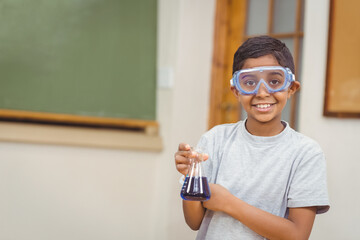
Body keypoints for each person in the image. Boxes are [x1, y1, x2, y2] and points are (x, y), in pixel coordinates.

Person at [174, 35, 330, 240]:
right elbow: (194, 222)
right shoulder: (214, 140)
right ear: (236, 90)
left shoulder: (306, 153)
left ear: (291, 89)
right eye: (249, 82)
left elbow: (297, 235)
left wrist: (229, 203)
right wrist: (191, 176)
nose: (262, 92)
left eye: (274, 81)